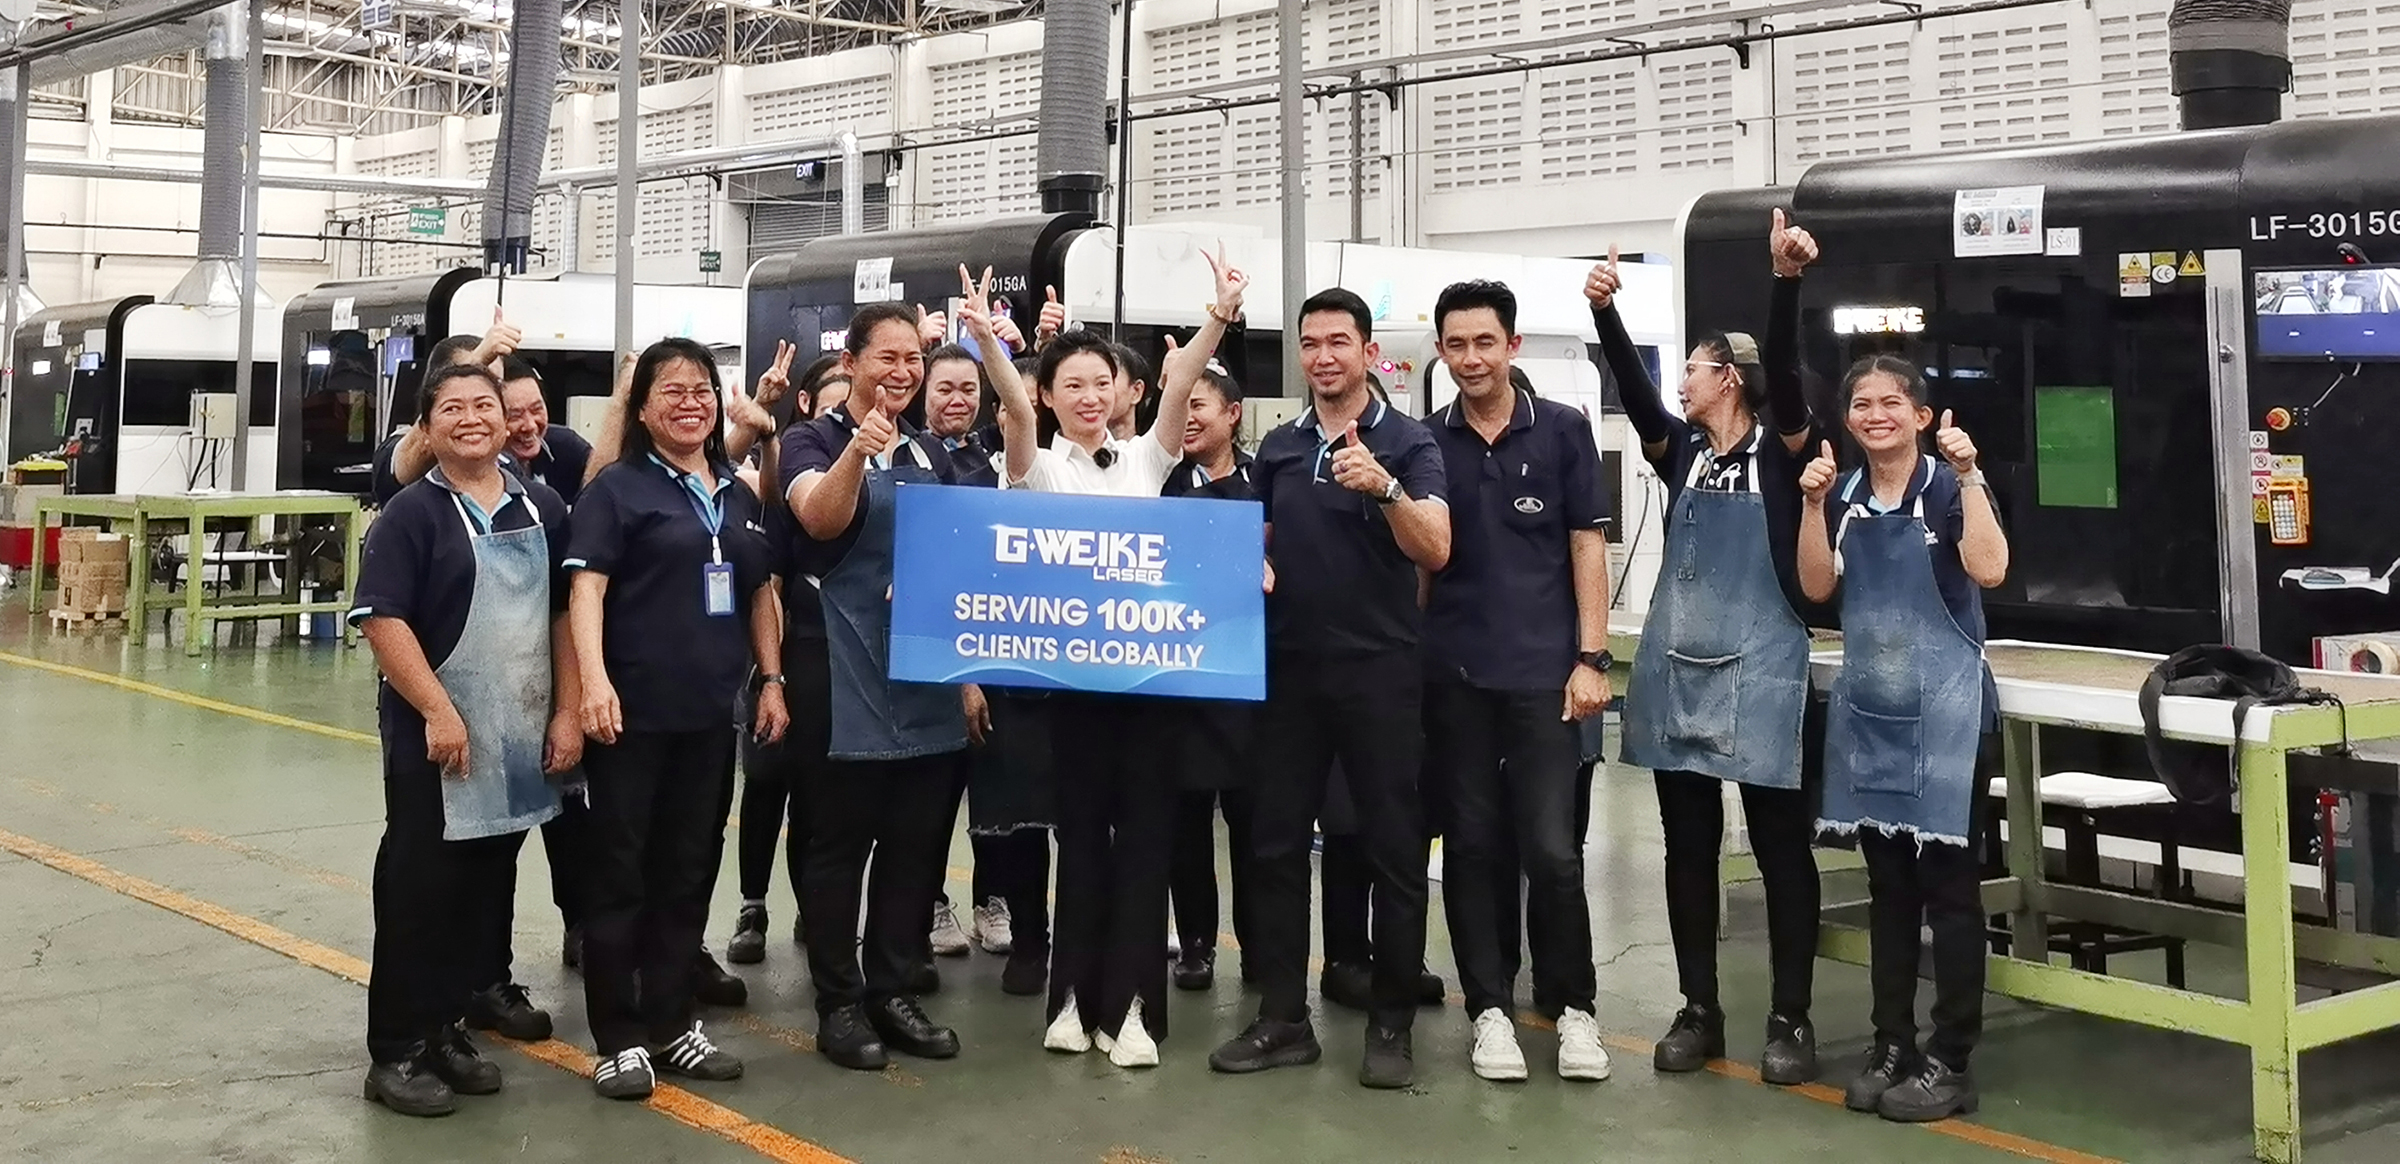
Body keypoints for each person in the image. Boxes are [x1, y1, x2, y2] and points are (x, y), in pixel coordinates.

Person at [972, 253, 1235, 1069]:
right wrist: (988, 343)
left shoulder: (1150, 460)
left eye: (1101, 383)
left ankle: (1134, 1012)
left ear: (1124, 391)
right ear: (1050, 396)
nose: (1089, 396)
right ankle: (1072, 1001)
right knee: (1082, 843)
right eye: (1071, 385)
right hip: (1075, 692)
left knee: (1147, 844)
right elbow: (1014, 411)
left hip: (1150, 689)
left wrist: (1218, 316)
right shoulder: (1037, 468)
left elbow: (1182, 380)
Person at [1592, 213, 1828, 1084]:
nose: (1679, 382)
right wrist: (1605, 314)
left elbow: (1787, 374)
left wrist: (1785, 283)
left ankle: (1790, 1017)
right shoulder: (1682, 450)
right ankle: (1700, 1010)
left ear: (1727, 376)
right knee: (1685, 849)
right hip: (1679, 667)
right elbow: (1636, 395)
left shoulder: (1784, 451)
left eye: (1690, 368)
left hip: (1764, 670)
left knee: (1780, 851)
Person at [1209, 287, 1450, 1090]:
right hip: (1290, 675)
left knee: (1392, 850)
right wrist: (1251, 561)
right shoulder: (1279, 446)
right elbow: (1253, 539)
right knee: (1275, 845)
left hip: (1380, 674)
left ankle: (1391, 1024)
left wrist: (1385, 488)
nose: (1322, 356)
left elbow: (1437, 547)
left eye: (1338, 342)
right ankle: (1284, 1019)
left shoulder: (1410, 442)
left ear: (1367, 351)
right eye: (1310, 343)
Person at [353, 363, 581, 1117]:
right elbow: (383, 619)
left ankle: (446, 1029)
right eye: (452, 408)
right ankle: (397, 1051)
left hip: (515, 734)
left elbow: (562, 616)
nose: (472, 418)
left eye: (485, 405)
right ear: (427, 429)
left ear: (507, 420)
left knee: (480, 892)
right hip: (438, 739)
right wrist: (438, 710)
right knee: (420, 892)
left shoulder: (541, 505)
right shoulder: (411, 515)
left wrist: (565, 710)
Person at [567, 337, 784, 1101]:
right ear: (641, 407)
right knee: (620, 876)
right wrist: (593, 683)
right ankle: (618, 1039)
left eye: (703, 391)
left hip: (708, 720)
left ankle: (669, 1022)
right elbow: (586, 591)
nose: (692, 404)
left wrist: (771, 680)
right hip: (631, 718)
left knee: (687, 872)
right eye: (674, 391)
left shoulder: (738, 494)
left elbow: (758, 593)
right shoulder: (617, 491)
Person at [1796, 357, 2008, 1123]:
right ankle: (1892, 1043)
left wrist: (1972, 475)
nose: (1875, 414)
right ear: (1847, 418)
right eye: (1862, 403)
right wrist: (1811, 505)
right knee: (1887, 891)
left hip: (1948, 719)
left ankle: (1951, 1059)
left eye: (1892, 402)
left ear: (1921, 416)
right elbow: (1817, 587)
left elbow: (1989, 568)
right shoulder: (1842, 494)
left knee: (1950, 894)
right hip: (1873, 718)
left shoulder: (1948, 489)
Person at [1421, 278, 1614, 1083]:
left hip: (1547, 680)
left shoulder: (1564, 430)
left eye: (1484, 342)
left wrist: (1592, 658)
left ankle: (1574, 1009)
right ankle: (1490, 1009)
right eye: (1457, 345)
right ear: (1441, 351)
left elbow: (1586, 547)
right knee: (1472, 848)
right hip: (1456, 679)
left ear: (1512, 345)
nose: (1471, 358)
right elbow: (1423, 564)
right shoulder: (1426, 443)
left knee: (1552, 852)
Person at [784, 301, 972, 1072]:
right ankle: (839, 1003)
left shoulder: (930, 451)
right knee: (839, 846)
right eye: (886, 357)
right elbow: (819, 520)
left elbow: (962, 548)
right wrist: (858, 452)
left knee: (913, 846)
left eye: (911, 358)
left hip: (924, 672)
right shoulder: (811, 440)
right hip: (841, 668)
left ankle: (893, 991)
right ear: (852, 363)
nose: (902, 371)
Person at [726, 354, 845, 966]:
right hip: (778, 660)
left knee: (815, 797)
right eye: (832, 408)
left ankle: (811, 908)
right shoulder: (784, 480)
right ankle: (752, 905)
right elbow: (767, 579)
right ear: (808, 408)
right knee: (767, 782)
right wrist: (769, 672)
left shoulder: (860, 480)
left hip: (831, 663)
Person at [1163, 366, 1258, 992]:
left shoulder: (1266, 480)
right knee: (1186, 824)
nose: (1189, 417)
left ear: (1233, 414)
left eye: (1199, 405)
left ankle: (1259, 945)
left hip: (1248, 678)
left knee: (1253, 825)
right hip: (1181, 679)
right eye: (1181, 405)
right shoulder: (1164, 483)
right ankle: (1196, 943)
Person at [500, 357, 595, 504]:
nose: (530, 425)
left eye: (536, 409)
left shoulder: (563, 445)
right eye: (515, 416)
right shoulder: (478, 470)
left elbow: (607, 480)